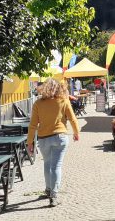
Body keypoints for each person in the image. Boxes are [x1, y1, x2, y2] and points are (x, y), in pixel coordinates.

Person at [27, 78, 80, 207]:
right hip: (60, 137)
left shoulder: (38, 104)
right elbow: (72, 119)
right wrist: (76, 133)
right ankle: (54, 195)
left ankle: (48, 189)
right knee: (56, 166)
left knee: (47, 164)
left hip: (44, 138)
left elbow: (33, 125)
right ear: (58, 88)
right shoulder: (63, 101)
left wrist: (30, 143)